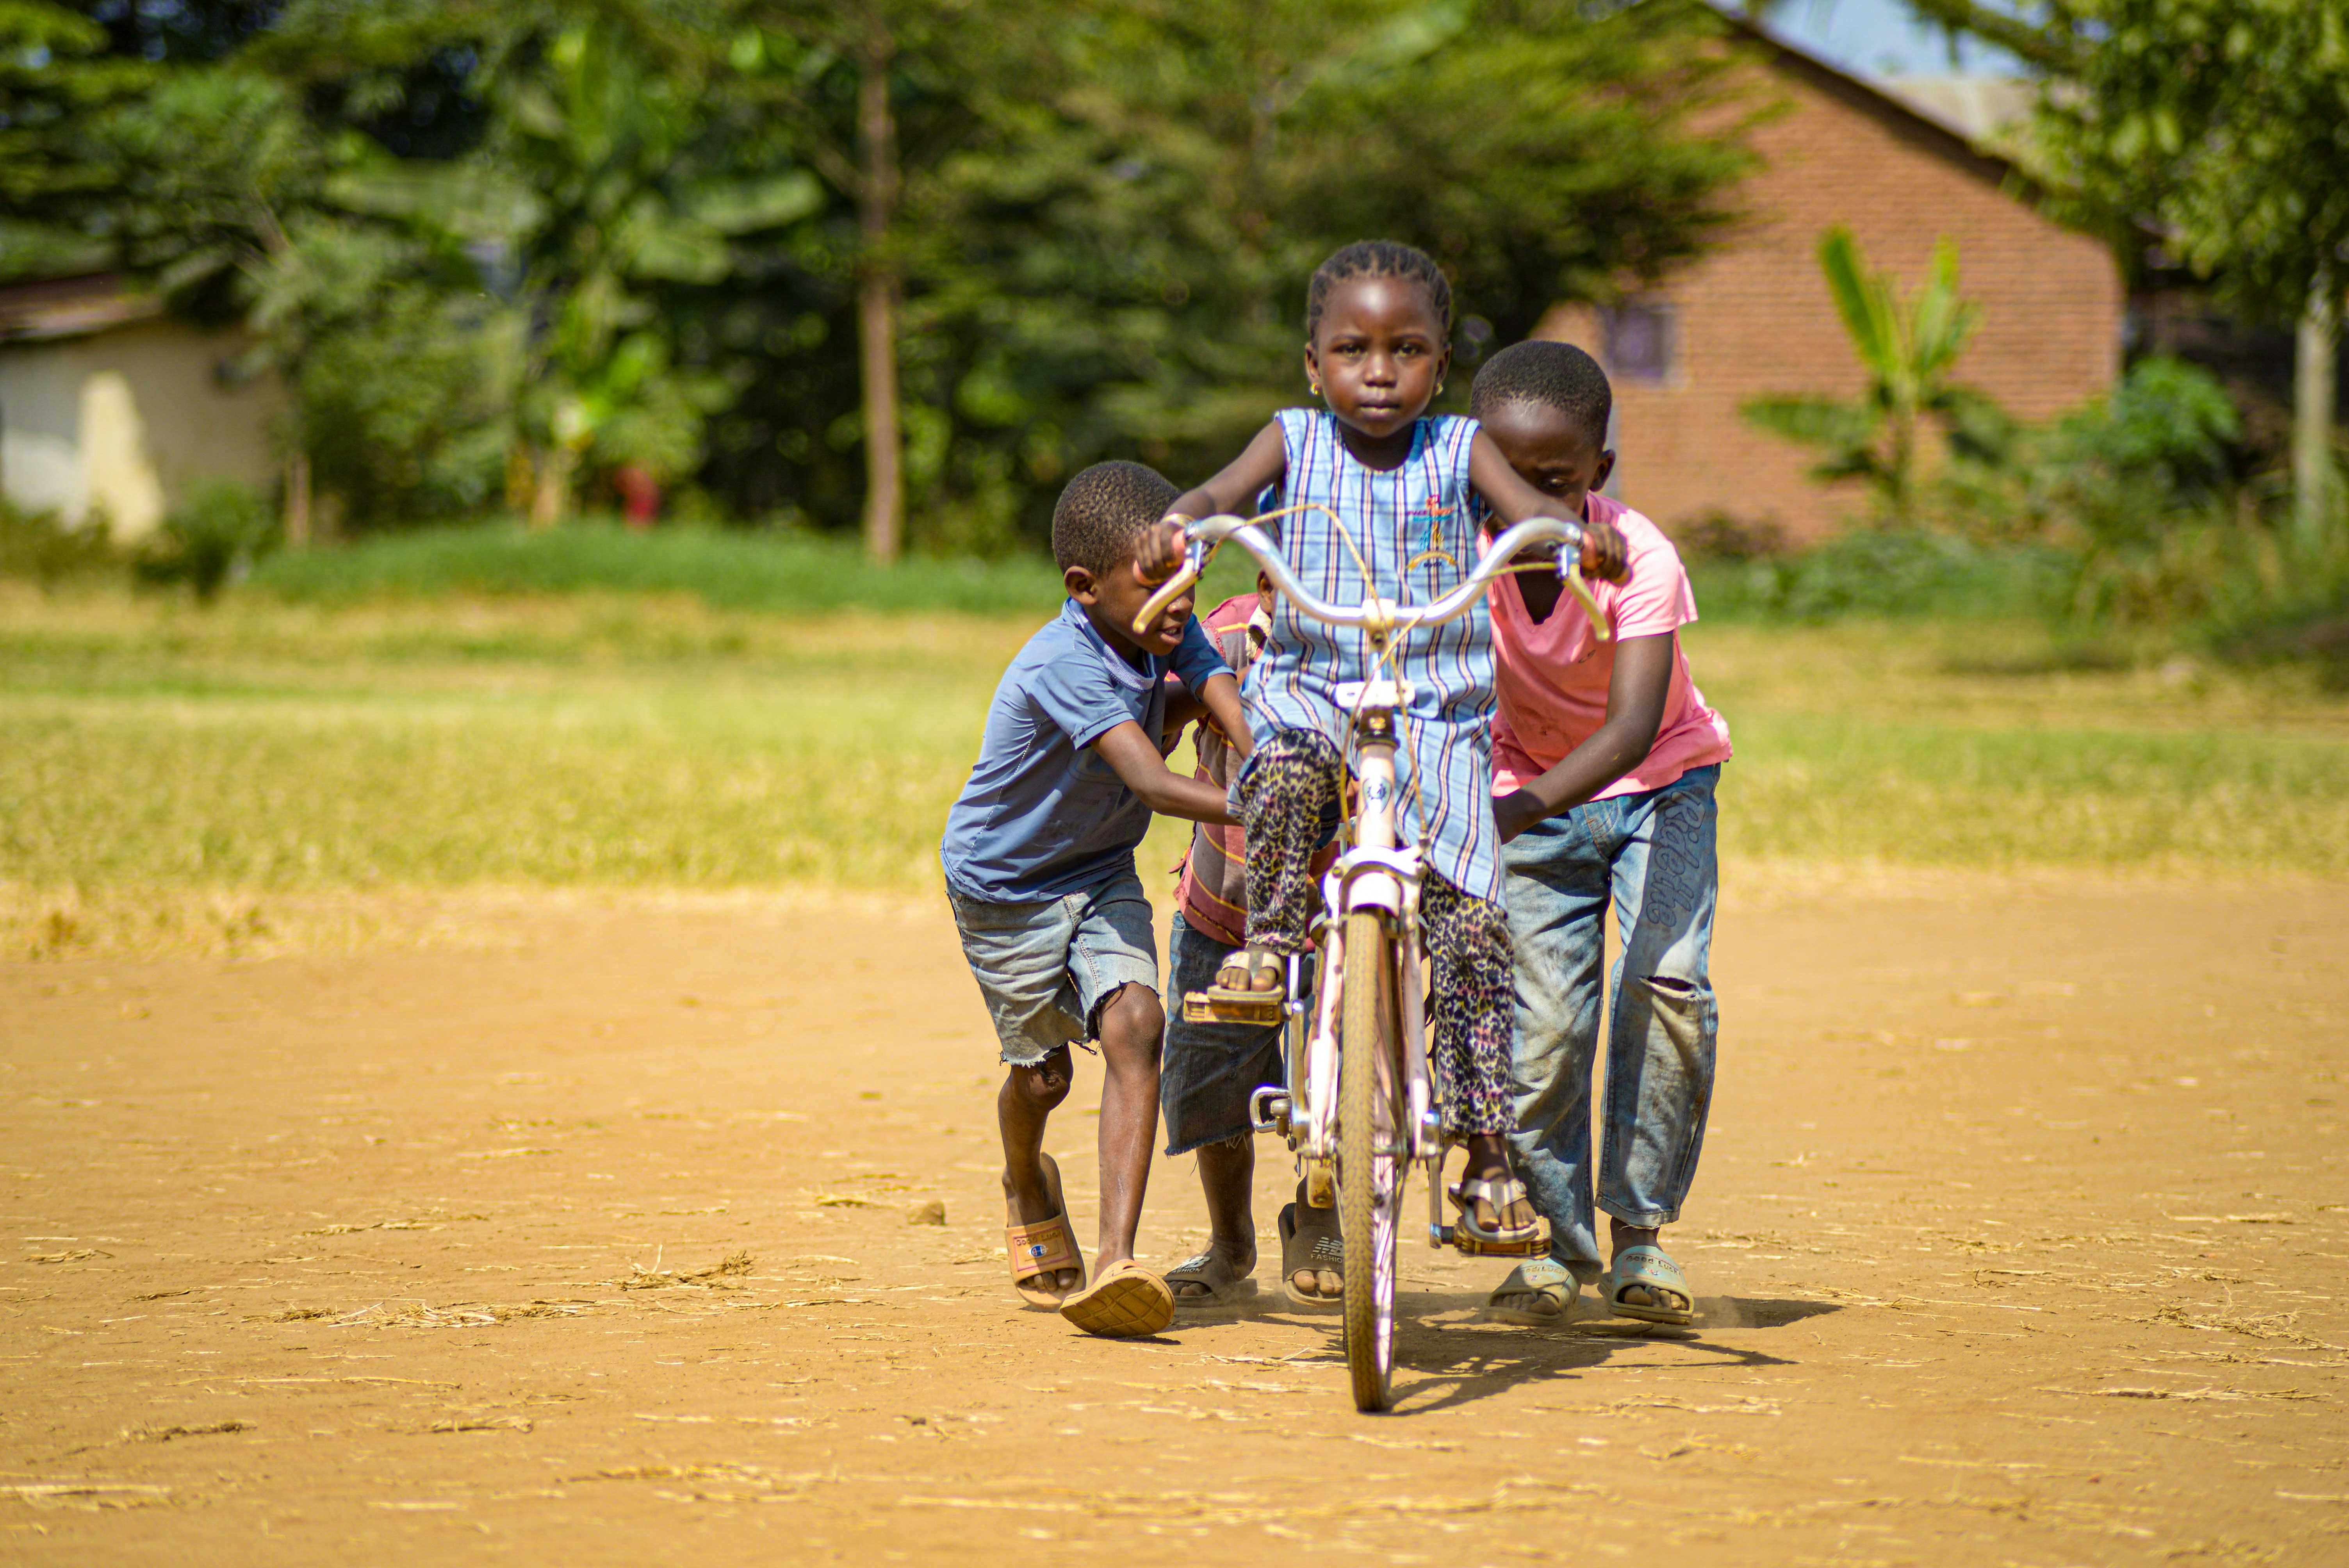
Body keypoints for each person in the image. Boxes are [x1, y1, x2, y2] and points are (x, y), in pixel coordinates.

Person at [1136, 240, 1625, 1245]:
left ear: (1439, 367)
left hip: (1434, 706)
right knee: (1279, 774)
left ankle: (1484, 1153)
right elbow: (1217, 495)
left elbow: (1529, 509)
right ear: (1311, 363)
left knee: (1471, 927)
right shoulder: (1291, 439)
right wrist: (1177, 524)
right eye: (1351, 350)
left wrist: (1573, 534)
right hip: (1310, 684)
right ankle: (1270, 947)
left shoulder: (1460, 448)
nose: (1377, 371)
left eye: (1405, 350)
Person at [940, 460, 1254, 1338]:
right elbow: (1150, 782)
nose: (1181, 601)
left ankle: (1116, 1262)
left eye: (1190, 579)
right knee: (1044, 1077)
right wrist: (1265, 801)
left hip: (1101, 870)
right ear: (1084, 587)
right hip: (1007, 888)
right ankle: (1024, 1178)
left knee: (1137, 1023)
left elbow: (1218, 689)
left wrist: (1265, 751)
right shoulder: (1063, 662)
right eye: (1157, 584)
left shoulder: (1163, 625)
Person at [1469, 340, 1732, 1328]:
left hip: (1659, 787)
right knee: (1543, 1030)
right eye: (1504, 481)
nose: (1527, 508)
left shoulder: (1640, 558)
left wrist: (1508, 813)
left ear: (1598, 473)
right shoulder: (1450, 559)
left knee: (1667, 985)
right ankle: (1552, 1244)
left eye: (1554, 483)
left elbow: (1628, 730)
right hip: (1526, 793)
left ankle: (1639, 1236)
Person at [1157, 576, 1346, 1312]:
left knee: (1346, 1074)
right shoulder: (1225, 642)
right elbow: (1155, 724)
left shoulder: (1375, 647)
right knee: (1212, 1084)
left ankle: (1320, 1216)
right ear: (1268, 582)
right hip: (1226, 906)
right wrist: (1185, 698)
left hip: (1343, 920)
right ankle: (1230, 1241)